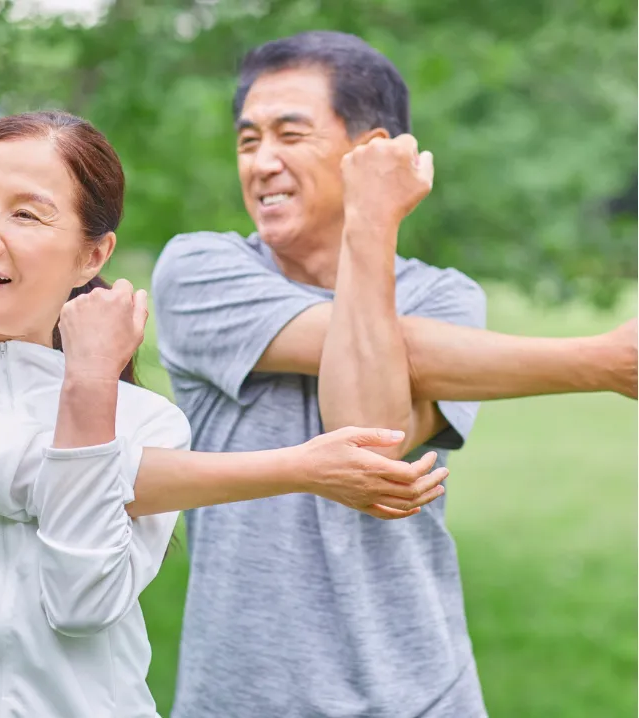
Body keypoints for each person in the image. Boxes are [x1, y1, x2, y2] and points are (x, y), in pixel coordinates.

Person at [0, 111, 452, 718]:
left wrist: (91, 384)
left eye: (26, 214)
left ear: (92, 256)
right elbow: (23, 466)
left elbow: (81, 603)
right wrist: (298, 468)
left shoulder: (147, 421)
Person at [151, 31, 637, 718]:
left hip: (422, 696)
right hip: (244, 699)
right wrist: (602, 361)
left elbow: (370, 436)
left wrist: (369, 220)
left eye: (290, 134)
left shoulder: (445, 296)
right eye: (247, 140)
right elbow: (381, 375)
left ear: (372, 151)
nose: (261, 162)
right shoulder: (199, 270)